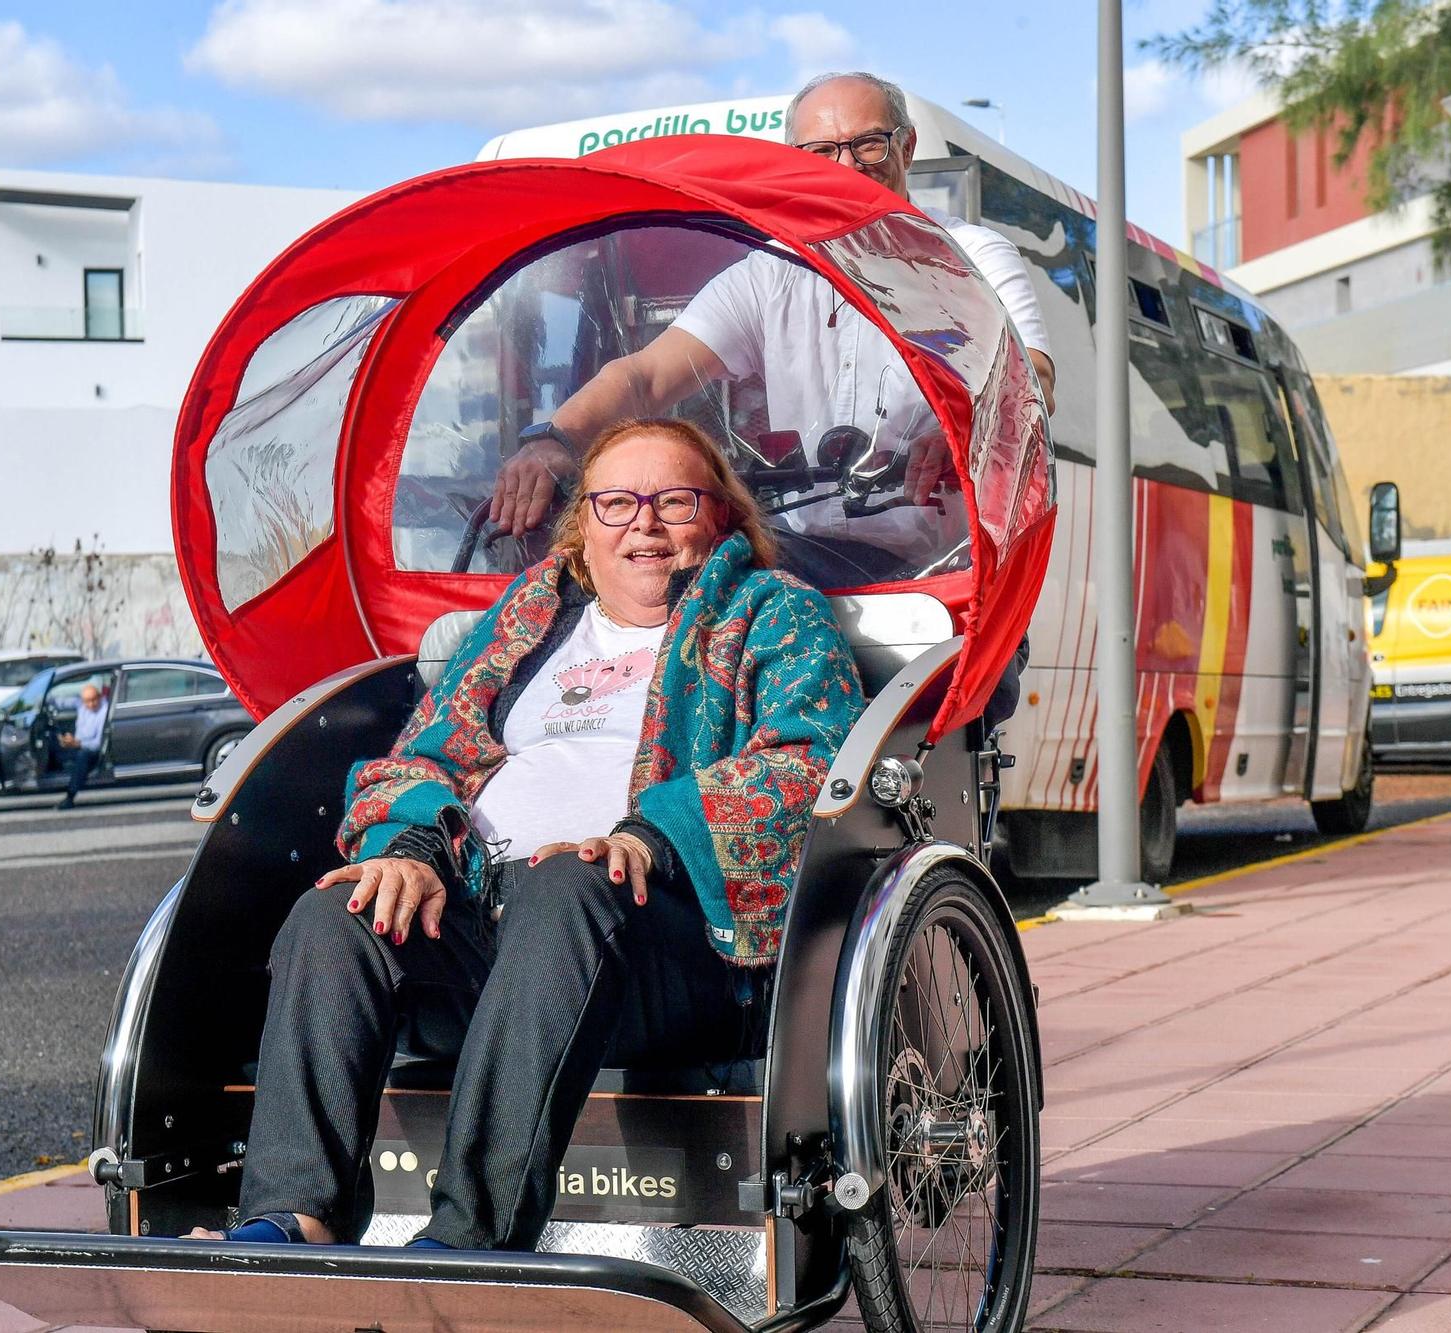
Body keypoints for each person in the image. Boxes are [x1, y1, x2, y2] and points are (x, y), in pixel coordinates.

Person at [199, 418, 864, 1252]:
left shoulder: (770, 611)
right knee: (337, 915)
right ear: (584, 527)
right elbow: (427, 750)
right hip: (483, 911)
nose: (645, 524)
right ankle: (294, 1214)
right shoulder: (532, 618)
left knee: (566, 887)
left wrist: (649, 838)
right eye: (617, 503)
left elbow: (810, 763)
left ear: (723, 519)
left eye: (675, 501)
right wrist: (413, 852)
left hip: (650, 932)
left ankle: (470, 1236)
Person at [488, 71, 1056, 561]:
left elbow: (1032, 378)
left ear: (906, 149)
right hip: (807, 560)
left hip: (955, 575)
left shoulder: (971, 256)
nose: (846, 167)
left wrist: (960, 428)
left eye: (869, 145)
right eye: (822, 152)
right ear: (797, 165)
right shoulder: (768, 275)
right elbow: (646, 376)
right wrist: (552, 439)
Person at [55, 683, 107, 810]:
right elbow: (59, 702)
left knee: (82, 756)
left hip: (91, 752)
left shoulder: (104, 711)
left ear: (99, 697)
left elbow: (98, 744)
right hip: (75, 744)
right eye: (87, 701)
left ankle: (70, 796)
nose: (91, 704)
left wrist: (77, 743)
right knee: (51, 741)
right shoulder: (81, 705)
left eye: (94, 700)